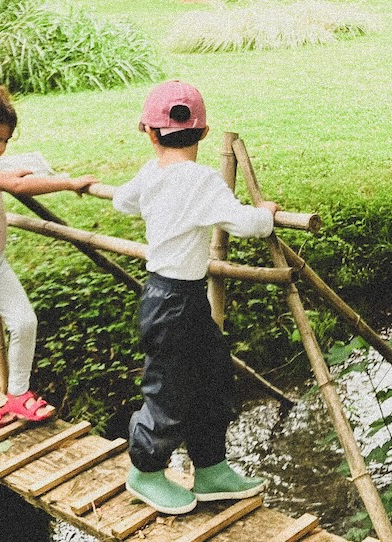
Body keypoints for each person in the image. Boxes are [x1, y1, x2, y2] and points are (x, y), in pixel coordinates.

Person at [112, 80, 278, 515]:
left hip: (171, 297)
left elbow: (122, 204)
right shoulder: (203, 181)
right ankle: (145, 472)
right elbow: (246, 224)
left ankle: (211, 467)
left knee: (210, 376)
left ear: (148, 132)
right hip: (176, 300)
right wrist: (268, 214)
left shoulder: (151, 174)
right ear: (204, 134)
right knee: (168, 389)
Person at [0, 66, 98, 428]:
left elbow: (5, 179)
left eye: (6, 141)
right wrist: (68, 182)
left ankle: (18, 395)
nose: (1, 149)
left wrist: (10, 174)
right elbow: (17, 188)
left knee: (25, 322)